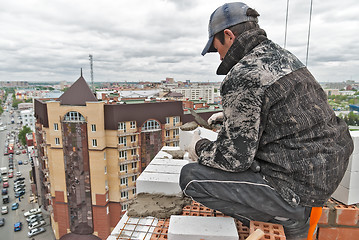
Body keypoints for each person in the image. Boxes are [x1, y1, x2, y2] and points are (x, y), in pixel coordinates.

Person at [179, 2, 354, 239]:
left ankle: (286, 216)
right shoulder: (282, 57)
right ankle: (290, 209)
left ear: (229, 36)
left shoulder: (244, 73)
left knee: (190, 178)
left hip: (295, 187)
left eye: (216, 47)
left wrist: (198, 148)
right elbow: (285, 111)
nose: (218, 55)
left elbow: (234, 160)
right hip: (323, 171)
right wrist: (234, 117)